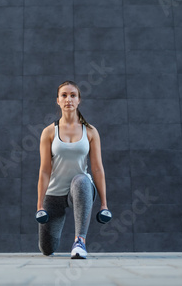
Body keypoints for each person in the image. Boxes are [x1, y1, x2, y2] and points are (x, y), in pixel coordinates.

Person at [36, 80, 109, 259]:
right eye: (64, 95)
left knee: (82, 179)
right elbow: (45, 171)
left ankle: (79, 241)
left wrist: (104, 204)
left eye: (73, 95)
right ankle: (50, 241)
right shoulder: (49, 132)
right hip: (55, 194)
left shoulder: (90, 131)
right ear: (58, 101)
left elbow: (97, 169)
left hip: (81, 189)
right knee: (47, 249)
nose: (68, 99)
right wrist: (39, 205)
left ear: (78, 100)